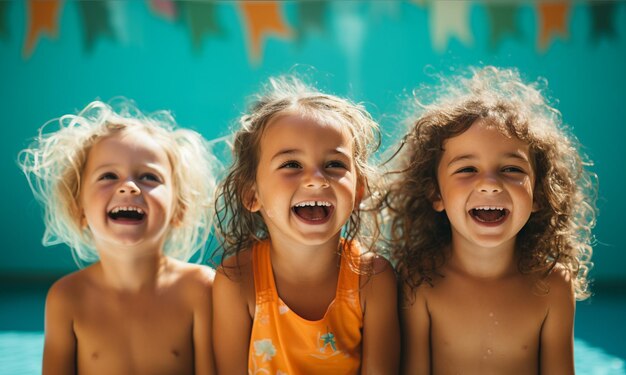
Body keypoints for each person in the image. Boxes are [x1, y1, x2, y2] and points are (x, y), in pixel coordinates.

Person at [382, 66, 597, 374]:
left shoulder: (552, 285)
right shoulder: (420, 279)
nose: (490, 184)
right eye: (467, 169)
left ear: (539, 194)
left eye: (511, 169)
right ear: (436, 194)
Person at [212, 76, 400, 374]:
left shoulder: (373, 279)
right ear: (251, 194)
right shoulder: (237, 281)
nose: (315, 178)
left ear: (359, 189)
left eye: (334, 165)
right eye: (291, 165)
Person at [19, 99, 217, 375]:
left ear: (179, 209)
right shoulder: (67, 299)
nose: (128, 187)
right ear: (79, 209)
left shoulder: (200, 289)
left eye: (149, 177)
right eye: (108, 176)